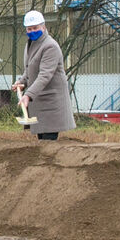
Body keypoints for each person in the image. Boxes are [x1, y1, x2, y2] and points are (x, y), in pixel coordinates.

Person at [12, 9, 74, 141]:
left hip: (51, 101)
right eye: (29, 29)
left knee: (48, 142)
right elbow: (29, 68)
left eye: (35, 28)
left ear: (43, 26)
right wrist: (21, 82)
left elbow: (45, 75)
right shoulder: (31, 44)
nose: (32, 31)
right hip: (39, 100)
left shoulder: (50, 46)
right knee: (42, 143)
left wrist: (28, 95)